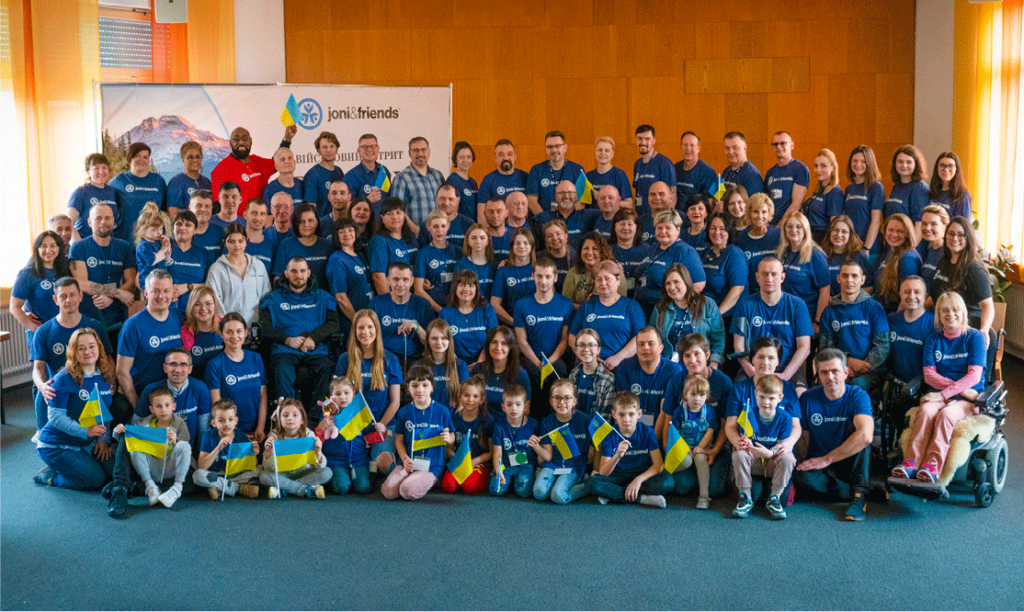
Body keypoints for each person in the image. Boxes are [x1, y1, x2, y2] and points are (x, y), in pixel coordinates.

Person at [894, 292, 986, 483]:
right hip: (947, 393)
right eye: (945, 310)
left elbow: (974, 376)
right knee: (926, 411)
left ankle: (933, 466)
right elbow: (929, 376)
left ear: (963, 312)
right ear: (938, 314)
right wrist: (951, 390)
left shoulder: (974, 337)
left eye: (955, 309)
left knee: (946, 415)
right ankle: (911, 462)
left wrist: (946, 393)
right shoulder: (933, 338)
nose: (950, 314)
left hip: (968, 399)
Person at [794, 349, 874, 521]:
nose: (829, 377)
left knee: (860, 436)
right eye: (824, 372)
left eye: (834, 371)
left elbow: (867, 435)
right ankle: (858, 490)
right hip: (822, 468)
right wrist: (802, 464)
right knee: (798, 474)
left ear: (845, 373)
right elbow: (802, 440)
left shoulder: (858, 395)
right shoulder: (807, 399)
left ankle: (858, 498)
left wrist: (828, 458)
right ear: (818, 375)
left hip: (848, 461)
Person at [33, 328, 116, 491]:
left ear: (99, 348)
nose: (87, 352)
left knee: (113, 473)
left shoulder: (104, 376)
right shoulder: (63, 379)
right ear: (73, 352)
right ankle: (52, 477)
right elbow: (55, 418)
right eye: (81, 348)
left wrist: (103, 440)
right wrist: (86, 432)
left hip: (85, 441)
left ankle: (70, 466)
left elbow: (103, 410)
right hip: (56, 444)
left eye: (92, 346)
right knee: (97, 480)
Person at [659, 333, 735, 499]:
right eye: (687, 356)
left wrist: (715, 450)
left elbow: (725, 424)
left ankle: (717, 472)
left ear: (707, 355)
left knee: (714, 490)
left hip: (712, 446)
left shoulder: (723, 382)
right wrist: (667, 446)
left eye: (697, 354)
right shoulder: (676, 381)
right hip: (684, 446)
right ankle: (694, 475)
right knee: (683, 488)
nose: (692, 360)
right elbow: (668, 419)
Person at [31, 278, 112, 430]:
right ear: (56, 300)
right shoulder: (43, 331)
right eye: (63, 296)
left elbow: (108, 359)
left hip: (88, 388)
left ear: (80, 296)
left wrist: (109, 381)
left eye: (72, 295)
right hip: (57, 390)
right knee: (44, 409)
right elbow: (37, 368)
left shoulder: (94, 326)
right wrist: (42, 386)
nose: (68, 300)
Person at [259, 256, 339, 410]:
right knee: (282, 369)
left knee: (328, 368)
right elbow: (264, 326)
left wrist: (313, 338)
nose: (298, 275)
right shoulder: (273, 298)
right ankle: (287, 416)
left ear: (309, 273)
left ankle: (318, 419)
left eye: (302, 271)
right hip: (285, 350)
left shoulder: (322, 296)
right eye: (294, 271)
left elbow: (333, 323)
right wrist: (286, 339)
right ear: (286, 273)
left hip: (316, 350)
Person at [334, 309, 403, 478]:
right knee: (348, 469)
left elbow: (395, 402)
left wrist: (379, 428)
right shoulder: (345, 359)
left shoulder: (390, 359)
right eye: (361, 328)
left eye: (370, 327)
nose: (365, 332)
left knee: (384, 464)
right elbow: (336, 397)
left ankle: (385, 461)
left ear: (377, 329)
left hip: (383, 423)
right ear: (354, 331)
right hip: (354, 423)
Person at [731, 256, 813, 391]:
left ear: (782, 277)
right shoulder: (745, 305)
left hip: (786, 369)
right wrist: (751, 370)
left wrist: (785, 374)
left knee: (801, 396)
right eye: (764, 274)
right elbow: (738, 345)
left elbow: (804, 347)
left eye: (774, 274)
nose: (769, 279)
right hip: (754, 368)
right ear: (757, 277)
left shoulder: (798, 305)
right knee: (738, 392)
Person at [585, 390, 673, 507]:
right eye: (621, 414)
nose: (626, 419)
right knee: (592, 483)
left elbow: (658, 465)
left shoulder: (647, 431)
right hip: (617, 477)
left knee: (668, 482)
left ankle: (614, 495)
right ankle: (641, 498)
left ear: (639, 414)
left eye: (631, 414)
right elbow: (603, 472)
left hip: (641, 474)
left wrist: (638, 480)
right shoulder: (610, 435)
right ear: (614, 414)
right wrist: (617, 455)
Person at [728, 374, 795, 519]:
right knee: (739, 454)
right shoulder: (748, 415)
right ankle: (745, 497)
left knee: (788, 458)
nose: (766, 402)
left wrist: (769, 453)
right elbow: (745, 441)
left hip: (773, 461)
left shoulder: (785, 418)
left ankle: (774, 498)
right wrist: (746, 444)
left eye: (771, 398)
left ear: (780, 398)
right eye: (762, 397)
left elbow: (782, 445)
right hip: (754, 461)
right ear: (755, 394)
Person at [382, 366, 454, 500]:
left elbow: (452, 437)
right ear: (408, 388)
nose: (420, 390)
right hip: (408, 462)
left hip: (431, 466)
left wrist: (448, 438)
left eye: (425, 385)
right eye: (414, 386)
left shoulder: (442, 411)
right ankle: (410, 477)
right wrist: (404, 459)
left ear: (432, 387)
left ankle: (432, 479)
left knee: (406, 491)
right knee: (388, 492)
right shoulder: (404, 412)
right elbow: (399, 440)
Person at [112, 388, 191, 508]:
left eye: (167, 405)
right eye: (158, 406)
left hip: (170, 466)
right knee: (135, 446)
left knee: (184, 445)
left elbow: (185, 449)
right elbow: (127, 444)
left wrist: (175, 441)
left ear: (173, 406)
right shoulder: (144, 423)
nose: (163, 409)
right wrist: (117, 432)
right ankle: (150, 487)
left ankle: (177, 488)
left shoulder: (180, 423)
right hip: (151, 468)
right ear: (152, 409)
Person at [819, 261, 891, 392]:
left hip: (871, 371)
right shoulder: (829, 312)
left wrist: (860, 368)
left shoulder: (874, 308)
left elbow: (883, 347)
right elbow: (826, 349)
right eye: (845, 276)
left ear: (862, 280)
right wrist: (847, 362)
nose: (849, 280)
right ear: (838, 278)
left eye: (854, 276)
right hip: (839, 369)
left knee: (857, 385)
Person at [68, 203, 137, 333]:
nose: (103, 222)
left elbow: (131, 281)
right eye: (98, 218)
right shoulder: (78, 248)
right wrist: (117, 293)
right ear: (89, 222)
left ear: (113, 221)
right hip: (89, 318)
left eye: (107, 218)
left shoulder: (124, 247)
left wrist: (110, 296)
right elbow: (81, 283)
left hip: (118, 317)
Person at [116, 270, 182, 405]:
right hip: (143, 397)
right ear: (146, 293)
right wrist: (138, 406)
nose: (161, 296)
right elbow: (122, 372)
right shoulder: (132, 326)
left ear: (173, 293)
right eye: (155, 291)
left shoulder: (178, 317)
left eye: (166, 291)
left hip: (172, 399)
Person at [513, 258, 574, 399]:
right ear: (533, 276)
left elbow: (565, 339)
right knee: (529, 372)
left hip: (555, 357)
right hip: (531, 358)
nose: (543, 281)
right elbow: (522, 341)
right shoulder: (522, 305)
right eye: (539, 276)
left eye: (548, 276)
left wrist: (549, 363)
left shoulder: (566, 304)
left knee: (559, 370)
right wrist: (538, 364)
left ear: (555, 277)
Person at [568, 261, 645, 369]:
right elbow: (572, 337)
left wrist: (618, 358)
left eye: (607, 278)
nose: (602, 283)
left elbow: (639, 338)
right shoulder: (586, 307)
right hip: (589, 365)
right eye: (598, 279)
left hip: (623, 366)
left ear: (618, 280)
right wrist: (589, 358)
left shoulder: (631, 306)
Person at [929, 216, 994, 341]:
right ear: (945, 236)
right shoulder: (943, 262)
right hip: (943, 325)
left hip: (965, 331)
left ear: (968, 238)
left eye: (961, 235)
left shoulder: (975, 269)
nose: (955, 238)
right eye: (951, 234)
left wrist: (984, 331)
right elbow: (935, 295)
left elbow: (987, 306)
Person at [205, 313, 267, 441]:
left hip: (256, 432)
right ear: (221, 334)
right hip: (228, 433)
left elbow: (263, 395)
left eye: (239, 331)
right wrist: (236, 434)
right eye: (229, 332)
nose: (234, 336)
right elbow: (217, 406)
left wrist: (260, 428)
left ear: (245, 333)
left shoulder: (256, 358)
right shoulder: (215, 364)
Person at [135, 347, 212, 448]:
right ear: (165, 368)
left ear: (190, 369)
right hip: (157, 451)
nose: (178, 370)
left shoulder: (200, 388)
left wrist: (200, 456)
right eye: (173, 364)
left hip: (188, 451)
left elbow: (204, 429)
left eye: (183, 364)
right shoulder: (150, 390)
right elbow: (136, 425)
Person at [531, 379, 591, 504]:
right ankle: (556, 485)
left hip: (574, 467)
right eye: (557, 398)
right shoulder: (547, 422)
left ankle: (587, 488)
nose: (562, 402)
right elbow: (548, 456)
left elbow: (597, 446)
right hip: (553, 465)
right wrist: (536, 446)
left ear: (574, 401)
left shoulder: (586, 421)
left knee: (558, 496)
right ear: (551, 401)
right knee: (539, 492)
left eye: (567, 398)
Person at [649, 264, 725, 364]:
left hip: (699, 364)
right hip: (668, 365)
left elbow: (719, 338)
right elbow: (652, 339)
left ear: (686, 282)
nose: (672, 287)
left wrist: (714, 363)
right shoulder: (660, 308)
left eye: (676, 282)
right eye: (668, 283)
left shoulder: (707, 304)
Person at [211, 124, 296, 214]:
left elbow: (277, 162)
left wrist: (287, 139)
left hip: (262, 222)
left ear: (251, 141)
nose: (241, 142)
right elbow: (218, 206)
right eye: (236, 139)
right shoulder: (221, 169)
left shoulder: (257, 161)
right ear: (230, 143)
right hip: (239, 225)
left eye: (245, 138)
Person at [635, 209, 705, 315]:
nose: (663, 231)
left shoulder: (685, 252)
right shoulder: (654, 247)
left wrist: (678, 308)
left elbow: (698, 285)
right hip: (644, 309)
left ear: (678, 230)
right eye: (659, 228)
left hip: (666, 313)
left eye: (668, 228)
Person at [664, 374, 717, 509]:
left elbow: (710, 431)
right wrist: (684, 447)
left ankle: (704, 496)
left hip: (702, 446)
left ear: (707, 396)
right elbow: (674, 433)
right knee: (686, 461)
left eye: (701, 395)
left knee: (700, 459)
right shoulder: (679, 411)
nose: (697, 399)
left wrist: (700, 447)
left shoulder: (709, 411)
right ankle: (666, 472)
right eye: (693, 394)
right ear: (685, 394)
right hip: (684, 446)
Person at [261, 398, 330, 499]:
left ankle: (286, 488)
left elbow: (321, 466)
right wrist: (267, 452)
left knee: (327, 472)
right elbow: (269, 468)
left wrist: (318, 452)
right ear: (280, 420)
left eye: (295, 415)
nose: (290, 418)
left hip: (304, 474)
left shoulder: (309, 435)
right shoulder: (274, 436)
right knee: (263, 476)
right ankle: (304, 490)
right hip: (283, 473)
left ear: (302, 420)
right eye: (285, 415)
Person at [367, 262, 433, 368]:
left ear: (412, 281)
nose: (400, 284)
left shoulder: (423, 304)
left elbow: (432, 344)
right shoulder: (376, 303)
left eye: (405, 280)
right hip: (383, 360)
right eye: (396, 279)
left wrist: (417, 327)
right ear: (388, 280)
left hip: (414, 359)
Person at [613, 327, 683, 426]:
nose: (646, 347)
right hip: (631, 429)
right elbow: (621, 407)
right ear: (636, 348)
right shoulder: (625, 367)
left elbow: (668, 414)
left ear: (661, 348)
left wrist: (653, 439)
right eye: (641, 344)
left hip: (662, 427)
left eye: (651, 343)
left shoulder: (673, 370)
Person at [193, 400, 261, 500]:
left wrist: (254, 454)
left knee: (261, 472)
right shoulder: (208, 437)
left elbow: (252, 464)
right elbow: (201, 466)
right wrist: (218, 448)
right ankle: (239, 488)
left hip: (236, 475)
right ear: (213, 423)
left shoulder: (240, 436)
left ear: (236, 421)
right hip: (216, 474)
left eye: (230, 419)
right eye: (221, 420)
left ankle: (220, 488)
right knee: (197, 475)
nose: (226, 424)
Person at [207, 223, 271, 325]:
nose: (237, 245)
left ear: (246, 241)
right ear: (225, 243)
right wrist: (228, 325)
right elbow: (214, 301)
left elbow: (266, 296)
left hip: (255, 327)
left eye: (240, 241)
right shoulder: (216, 269)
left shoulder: (258, 266)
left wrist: (262, 322)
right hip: (228, 330)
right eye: (232, 241)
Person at [11, 231, 69, 343]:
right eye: (43, 246)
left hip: (64, 331)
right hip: (41, 334)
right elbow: (14, 307)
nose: (48, 250)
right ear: (37, 249)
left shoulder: (64, 271)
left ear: (59, 248)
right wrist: (36, 329)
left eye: (53, 246)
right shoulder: (27, 273)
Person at [777, 211, 830, 330]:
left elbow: (825, 290)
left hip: (807, 316)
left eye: (798, 226)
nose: (793, 230)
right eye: (789, 226)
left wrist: (817, 322)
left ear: (805, 230)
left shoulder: (816, 254)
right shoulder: (782, 252)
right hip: (785, 314)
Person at [441, 375, 492, 494]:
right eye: (466, 395)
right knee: (448, 486)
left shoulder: (487, 420)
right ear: (459, 397)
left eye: (475, 396)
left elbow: (491, 452)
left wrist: (473, 462)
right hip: (458, 462)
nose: (470, 400)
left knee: (469, 486)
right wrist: (458, 461)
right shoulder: (453, 419)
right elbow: (448, 449)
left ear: (482, 399)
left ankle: (486, 476)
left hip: (478, 463)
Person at [317, 376, 369, 494]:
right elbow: (318, 435)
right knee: (342, 487)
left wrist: (378, 431)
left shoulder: (359, 413)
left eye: (346, 393)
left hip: (358, 460)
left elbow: (368, 432)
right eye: (338, 393)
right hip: (336, 461)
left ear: (353, 394)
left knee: (363, 487)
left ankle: (364, 476)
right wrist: (323, 424)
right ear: (332, 396)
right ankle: (338, 479)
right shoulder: (328, 414)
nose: (342, 397)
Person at [109, 142, 167, 241]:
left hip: (152, 242)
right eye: (137, 156)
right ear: (130, 158)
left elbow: (166, 209)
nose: (142, 160)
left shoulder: (158, 180)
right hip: (125, 241)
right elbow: (106, 206)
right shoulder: (119, 180)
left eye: (145, 157)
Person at [488, 384, 538, 497]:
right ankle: (509, 481)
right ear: (503, 407)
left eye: (518, 404)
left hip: (526, 464)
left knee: (523, 492)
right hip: (506, 464)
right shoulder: (499, 426)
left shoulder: (533, 424)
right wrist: (498, 471)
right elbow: (497, 453)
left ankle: (516, 481)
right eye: (509, 405)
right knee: (495, 490)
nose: (513, 408)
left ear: (525, 406)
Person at [471, 326, 532, 418]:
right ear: (487, 346)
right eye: (494, 342)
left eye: (504, 343)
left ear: (510, 347)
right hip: (481, 424)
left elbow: (526, 410)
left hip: (506, 427)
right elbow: (469, 401)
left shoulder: (520, 374)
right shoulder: (478, 369)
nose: (498, 347)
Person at [327, 217, 372, 338]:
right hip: (352, 322)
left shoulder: (361, 255)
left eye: (350, 230)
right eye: (341, 231)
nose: (347, 234)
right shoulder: (337, 259)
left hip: (368, 319)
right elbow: (340, 298)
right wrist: (358, 322)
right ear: (336, 236)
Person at [440, 270, 498, 363]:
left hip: (484, 362)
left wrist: (478, 364)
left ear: (476, 289)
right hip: (455, 364)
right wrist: (459, 365)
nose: (466, 289)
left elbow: (494, 339)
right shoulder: (445, 313)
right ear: (455, 288)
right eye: (461, 285)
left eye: (471, 285)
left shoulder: (487, 310)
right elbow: (443, 343)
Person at [887, 276, 935, 387]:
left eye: (917, 292)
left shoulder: (934, 323)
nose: (911, 296)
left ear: (925, 296)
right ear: (900, 295)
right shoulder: (891, 320)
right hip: (895, 385)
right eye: (906, 292)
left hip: (924, 387)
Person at [272, 203, 332, 289]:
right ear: (296, 224)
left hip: (322, 299)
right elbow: (278, 279)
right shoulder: (286, 245)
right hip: (293, 299)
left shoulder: (328, 245)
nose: (306, 225)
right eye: (301, 221)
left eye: (310, 220)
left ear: (317, 222)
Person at [390, 136, 446, 230]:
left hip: (439, 235)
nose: (420, 154)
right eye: (415, 150)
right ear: (409, 153)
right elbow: (396, 211)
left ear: (429, 152)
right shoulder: (401, 178)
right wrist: (416, 231)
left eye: (423, 150)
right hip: (415, 236)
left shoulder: (438, 175)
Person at [368, 198, 420, 295]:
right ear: (382, 218)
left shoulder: (411, 238)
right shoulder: (379, 241)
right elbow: (378, 277)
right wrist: (391, 305)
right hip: (394, 299)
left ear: (404, 215)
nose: (394, 217)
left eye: (398, 212)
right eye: (389, 213)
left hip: (412, 296)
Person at [526, 130, 585, 215]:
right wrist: (546, 220)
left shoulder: (578, 170)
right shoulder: (536, 170)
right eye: (550, 147)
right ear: (546, 149)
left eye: (557, 146)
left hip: (571, 222)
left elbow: (582, 201)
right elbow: (531, 200)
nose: (554, 150)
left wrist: (567, 220)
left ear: (565, 148)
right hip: (544, 223)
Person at [701, 212, 747, 318]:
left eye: (722, 228)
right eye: (713, 228)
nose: (717, 232)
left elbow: (737, 289)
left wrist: (716, 315)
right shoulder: (703, 253)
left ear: (729, 231)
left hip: (728, 315)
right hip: (706, 313)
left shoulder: (735, 254)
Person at [873, 213, 922, 314]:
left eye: (900, 231)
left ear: (908, 234)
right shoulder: (891, 252)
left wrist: (895, 321)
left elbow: (909, 297)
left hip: (895, 317)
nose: (894, 235)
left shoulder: (908, 258)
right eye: (890, 230)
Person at [734, 193, 780, 294]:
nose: (760, 216)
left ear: (769, 214)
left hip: (775, 292)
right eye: (755, 211)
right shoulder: (740, 238)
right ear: (749, 213)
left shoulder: (779, 235)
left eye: (764, 212)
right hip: (751, 293)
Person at [414, 209, 460, 313]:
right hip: (433, 310)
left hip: (456, 309)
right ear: (428, 227)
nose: (440, 230)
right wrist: (440, 310)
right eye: (435, 226)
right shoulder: (423, 254)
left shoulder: (458, 251)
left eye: (443, 226)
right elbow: (418, 290)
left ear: (448, 226)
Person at [535, 179, 600, 250]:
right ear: (556, 197)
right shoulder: (543, 218)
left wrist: (600, 198)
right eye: (561, 193)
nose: (566, 196)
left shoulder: (588, 216)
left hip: (579, 260)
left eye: (570, 192)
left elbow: (609, 214)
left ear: (576, 196)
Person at [66, 153, 119, 242]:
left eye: (104, 167)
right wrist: (80, 246)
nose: (101, 172)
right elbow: (67, 223)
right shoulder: (81, 192)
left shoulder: (113, 192)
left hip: (108, 246)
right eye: (96, 168)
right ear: (88, 172)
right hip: (87, 246)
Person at [416, 319, 469, 408]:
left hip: (452, 419)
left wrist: (452, 421)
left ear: (449, 340)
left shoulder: (460, 366)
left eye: (443, 338)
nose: (439, 342)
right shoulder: (419, 367)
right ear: (428, 340)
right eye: (434, 338)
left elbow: (463, 402)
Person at [562, 233, 625, 306]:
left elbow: (621, 303)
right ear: (580, 251)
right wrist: (585, 309)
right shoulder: (573, 272)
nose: (589, 253)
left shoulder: (615, 272)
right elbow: (565, 303)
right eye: (586, 248)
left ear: (602, 252)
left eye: (595, 249)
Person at [491, 227, 538, 326]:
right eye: (517, 243)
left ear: (532, 246)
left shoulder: (539, 268)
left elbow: (551, 297)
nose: (521, 246)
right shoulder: (503, 270)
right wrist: (515, 323)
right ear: (512, 246)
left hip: (537, 323)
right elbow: (495, 304)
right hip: (513, 325)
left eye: (526, 243)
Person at [166, 211, 209, 312]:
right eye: (179, 224)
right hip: (167, 308)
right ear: (173, 227)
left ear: (195, 230)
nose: (183, 228)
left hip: (196, 311)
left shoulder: (202, 253)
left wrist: (187, 287)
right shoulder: (163, 248)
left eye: (188, 225)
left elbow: (210, 284)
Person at [763, 131, 810, 226]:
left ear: (792, 145)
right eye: (775, 144)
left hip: (790, 226)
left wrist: (780, 227)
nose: (779, 147)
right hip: (771, 226)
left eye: (783, 143)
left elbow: (796, 204)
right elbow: (766, 201)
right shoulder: (770, 172)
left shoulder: (800, 168)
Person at [476, 139, 528, 222]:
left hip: (523, 229)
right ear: (495, 158)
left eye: (509, 154)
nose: (506, 158)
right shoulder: (488, 180)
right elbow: (482, 213)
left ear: (514, 157)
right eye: (501, 155)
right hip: (498, 231)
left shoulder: (525, 177)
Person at [843, 145, 884, 249]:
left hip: (870, 247)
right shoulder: (849, 188)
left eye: (863, 161)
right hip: (851, 245)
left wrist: (866, 248)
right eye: (855, 161)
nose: (858, 164)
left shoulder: (876, 187)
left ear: (869, 163)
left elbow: (876, 221)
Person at [179, 287, 224, 382]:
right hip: (196, 385)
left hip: (223, 384)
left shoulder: (226, 327)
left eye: (208, 303)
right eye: (197, 304)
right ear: (191, 307)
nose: (203, 308)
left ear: (215, 305)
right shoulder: (184, 331)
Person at [568, 328, 615, 418]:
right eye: (581, 345)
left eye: (591, 345)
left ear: (598, 349)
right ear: (576, 349)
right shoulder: (573, 374)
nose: (586, 349)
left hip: (596, 430)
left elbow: (606, 417)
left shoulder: (608, 379)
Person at [822, 215, 873, 297]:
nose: (839, 234)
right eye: (835, 230)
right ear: (830, 232)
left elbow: (869, 287)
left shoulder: (860, 256)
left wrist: (848, 301)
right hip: (827, 304)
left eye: (844, 231)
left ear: (850, 235)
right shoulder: (821, 256)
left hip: (852, 305)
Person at [632, 125, 677, 216]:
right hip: (641, 218)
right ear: (636, 140)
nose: (643, 142)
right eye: (640, 138)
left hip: (659, 218)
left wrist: (666, 220)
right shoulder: (637, 164)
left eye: (647, 139)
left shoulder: (664, 163)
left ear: (654, 141)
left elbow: (673, 194)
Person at [885, 144, 929, 233]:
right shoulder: (897, 185)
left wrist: (913, 247)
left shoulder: (920, 188)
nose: (904, 165)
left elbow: (920, 224)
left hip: (910, 243)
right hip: (894, 240)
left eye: (908, 162)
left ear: (916, 164)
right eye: (900, 161)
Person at [803, 149, 844, 243]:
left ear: (833, 168)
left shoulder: (835, 192)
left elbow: (834, 226)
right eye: (816, 166)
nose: (818, 170)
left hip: (822, 242)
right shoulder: (819, 189)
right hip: (810, 239)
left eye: (823, 166)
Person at [610, 208, 652, 298]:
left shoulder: (647, 249)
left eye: (630, 224)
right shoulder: (607, 249)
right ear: (615, 226)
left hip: (641, 298)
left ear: (636, 226)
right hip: (614, 298)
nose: (626, 228)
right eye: (622, 224)